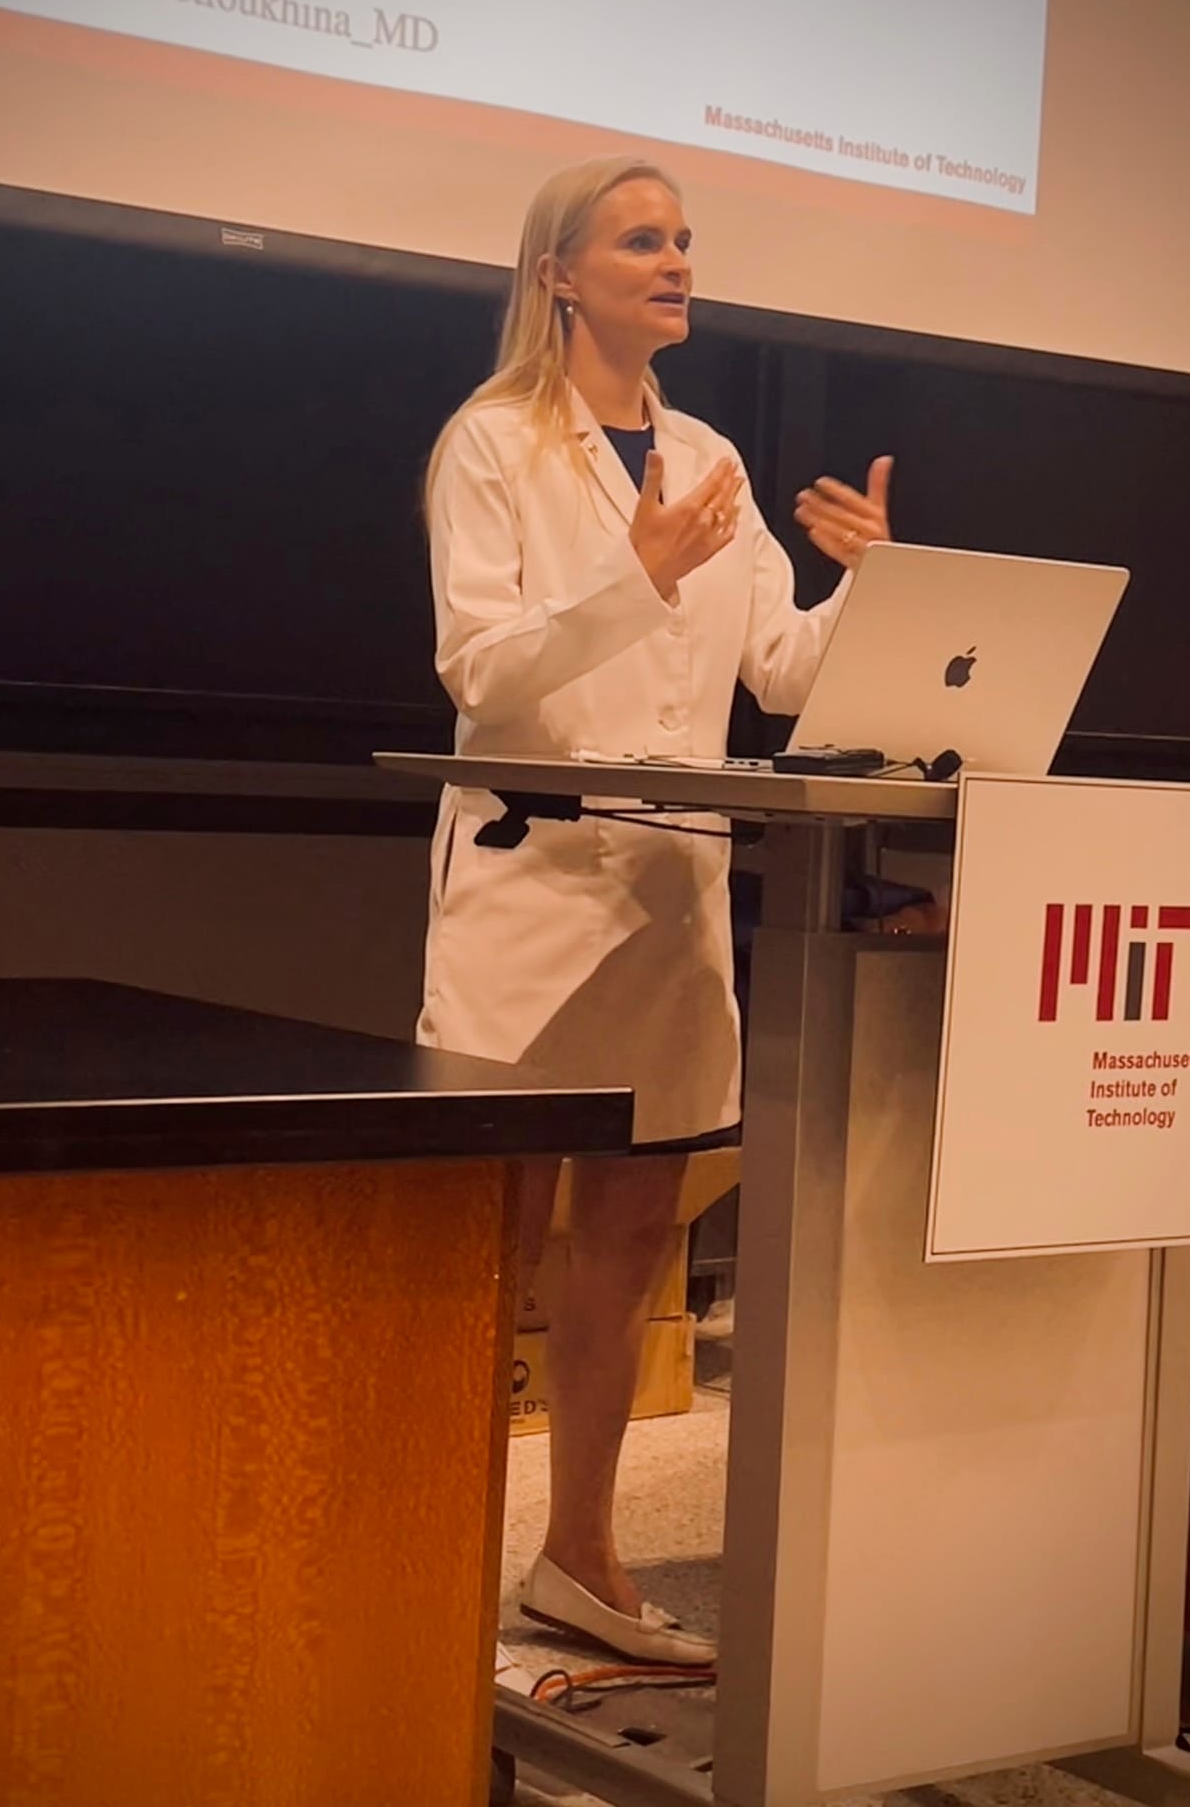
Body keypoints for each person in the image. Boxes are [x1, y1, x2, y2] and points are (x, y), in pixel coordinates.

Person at [417, 155, 892, 1665]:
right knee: (486, 1246)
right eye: (641, 240)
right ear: (558, 273)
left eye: (684, 239)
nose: (677, 261)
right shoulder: (491, 441)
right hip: (533, 887)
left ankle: (578, 1558)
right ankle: (418, 1577)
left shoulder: (708, 455)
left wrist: (867, 588)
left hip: (672, 891)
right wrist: (631, 576)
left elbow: (784, 676)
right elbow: (480, 672)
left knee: (630, 1233)